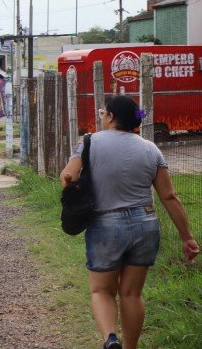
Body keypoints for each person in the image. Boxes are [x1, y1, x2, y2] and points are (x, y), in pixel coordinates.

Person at [60, 95, 199, 349]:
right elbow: (169, 196)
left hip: (105, 226)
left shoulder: (89, 143)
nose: (101, 116)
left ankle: (110, 338)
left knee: (102, 291)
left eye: (103, 112)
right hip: (144, 224)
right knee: (132, 293)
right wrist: (186, 237)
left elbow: (67, 175)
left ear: (111, 116)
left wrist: (72, 181)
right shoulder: (150, 148)